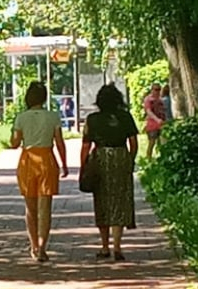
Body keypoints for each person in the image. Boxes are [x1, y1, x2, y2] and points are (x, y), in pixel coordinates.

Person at [10, 81, 69, 261]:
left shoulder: (21, 117)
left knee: (30, 207)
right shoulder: (53, 117)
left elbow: (14, 143)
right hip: (47, 160)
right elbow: (59, 142)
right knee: (45, 207)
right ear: (44, 98)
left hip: (28, 161)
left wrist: (15, 135)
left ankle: (34, 245)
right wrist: (64, 164)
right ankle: (43, 246)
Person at [81, 83, 139, 261]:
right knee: (120, 199)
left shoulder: (92, 119)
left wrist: (83, 165)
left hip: (100, 157)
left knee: (102, 200)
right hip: (121, 156)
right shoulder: (126, 117)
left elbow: (86, 145)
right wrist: (130, 159)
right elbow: (134, 143)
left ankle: (105, 246)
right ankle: (118, 246)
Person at [142, 82, 166, 159]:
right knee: (151, 143)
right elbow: (149, 111)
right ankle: (148, 159)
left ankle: (162, 158)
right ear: (152, 90)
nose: (157, 91)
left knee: (162, 143)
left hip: (161, 124)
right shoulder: (148, 99)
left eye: (159, 89)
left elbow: (162, 111)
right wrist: (157, 120)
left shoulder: (160, 100)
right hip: (152, 125)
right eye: (156, 89)